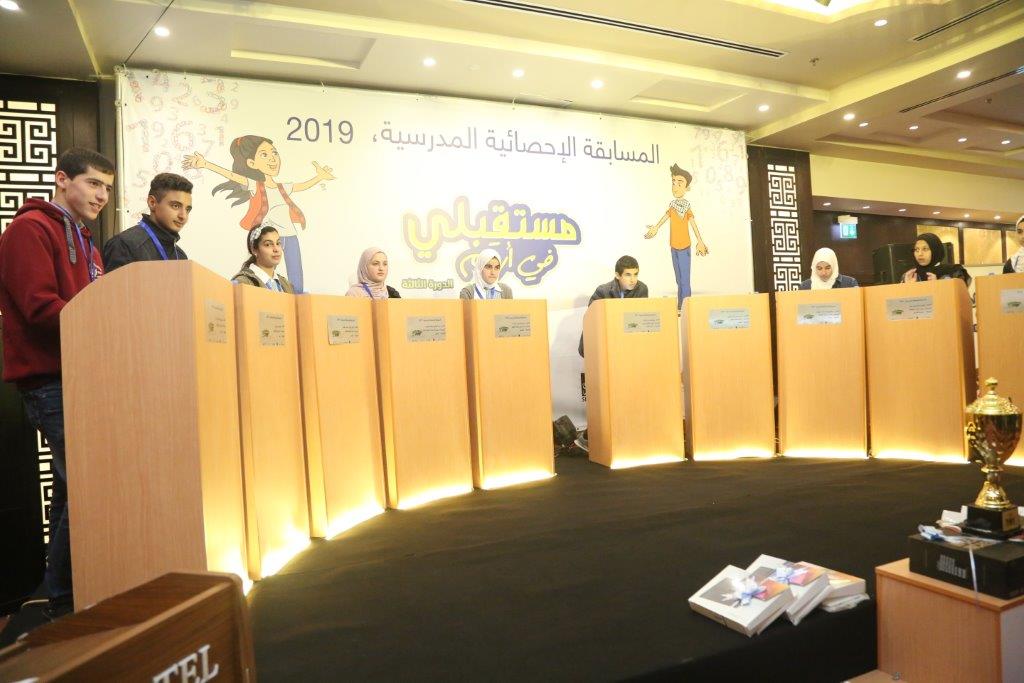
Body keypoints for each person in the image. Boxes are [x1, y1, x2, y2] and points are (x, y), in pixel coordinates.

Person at [0, 147, 115, 620]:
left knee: (72, 490)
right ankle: (66, 604)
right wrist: (104, 326)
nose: (102, 195)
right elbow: (39, 306)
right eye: (93, 183)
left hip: (81, 375)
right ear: (62, 179)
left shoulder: (85, 238)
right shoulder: (29, 229)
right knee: (87, 486)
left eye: (107, 187)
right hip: (49, 380)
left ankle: (65, 598)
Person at [183, 135, 335, 293]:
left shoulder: (283, 187)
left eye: (274, 153)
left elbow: (302, 185)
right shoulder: (255, 185)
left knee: (295, 271)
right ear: (252, 163)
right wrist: (206, 164)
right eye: (264, 154)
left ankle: (297, 299)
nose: (272, 158)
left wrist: (319, 177)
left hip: (290, 234)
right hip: (270, 234)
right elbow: (233, 176)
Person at [644, 164, 709, 309]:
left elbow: (693, 224)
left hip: (684, 247)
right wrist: (656, 227)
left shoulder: (686, 207)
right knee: (679, 280)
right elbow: (664, 218)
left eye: (680, 183)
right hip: (673, 247)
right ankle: (681, 307)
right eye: (673, 183)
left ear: (687, 188)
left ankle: (687, 308)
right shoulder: (672, 206)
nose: (675, 187)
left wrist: (700, 241)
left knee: (685, 280)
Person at [102, 173, 192, 272]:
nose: (183, 216)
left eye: (187, 209)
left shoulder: (180, 256)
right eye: (176, 206)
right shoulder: (124, 245)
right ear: (152, 203)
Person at [578, 255, 648, 357]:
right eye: (628, 275)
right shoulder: (602, 291)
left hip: (629, 343)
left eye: (635, 274)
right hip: (606, 341)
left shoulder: (642, 289)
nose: (633, 280)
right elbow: (591, 321)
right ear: (617, 275)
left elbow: (641, 322)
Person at [232, 225, 295, 293]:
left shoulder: (286, 284)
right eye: (268, 244)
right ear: (254, 249)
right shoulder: (242, 283)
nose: (276, 249)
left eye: (278, 243)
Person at [901, 232, 971, 285]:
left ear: (935, 250)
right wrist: (908, 288)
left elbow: (961, 296)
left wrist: (938, 286)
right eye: (916, 249)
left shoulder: (954, 272)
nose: (920, 254)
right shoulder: (910, 275)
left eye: (925, 249)